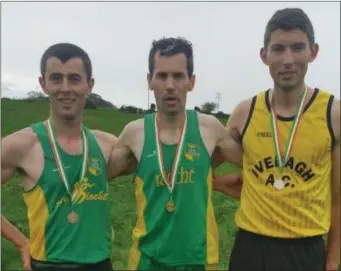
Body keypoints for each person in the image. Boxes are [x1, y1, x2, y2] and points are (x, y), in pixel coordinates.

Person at [215, 8, 340, 271]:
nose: (288, 59)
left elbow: (338, 197)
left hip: (306, 248)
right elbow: (204, 162)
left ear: (313, 52)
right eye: (278, 49)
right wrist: (214, 183)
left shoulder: (333, 114)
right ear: (264, 55)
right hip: (251, 247)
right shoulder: (244, 113)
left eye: (297, 47)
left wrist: (331, 261)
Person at [107, 37, 243, 271]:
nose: (170, 85)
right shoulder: (134, 133)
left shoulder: (209, 128)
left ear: (191, 81)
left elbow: (256, 163)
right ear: (149, 80)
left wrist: (216, 183)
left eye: (178, 76)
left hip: (198, 257)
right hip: (146, 258)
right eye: (161, 76)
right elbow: (98, 177)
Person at [1, 42, 132, 271]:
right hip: (47, 265)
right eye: (56, 78)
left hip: (100, 265)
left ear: (89, 85)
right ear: (43, 84)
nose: (65, 88)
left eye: (74, 78)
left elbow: (157, 167)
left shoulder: (106, 145)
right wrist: (21, 242)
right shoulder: (21, 145)